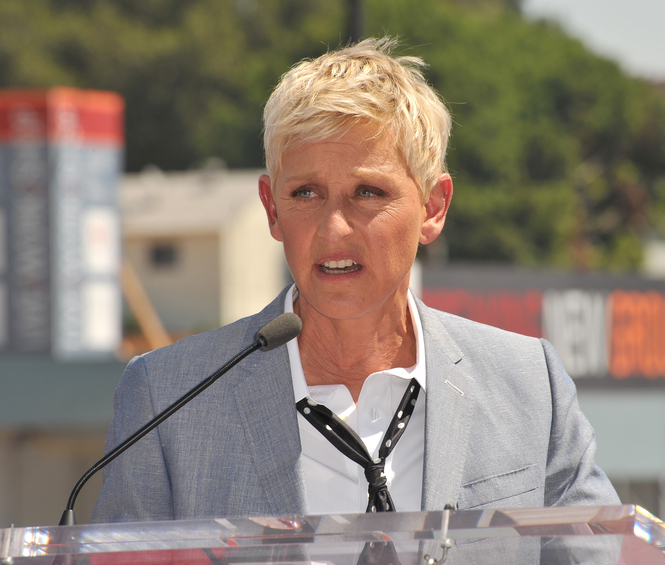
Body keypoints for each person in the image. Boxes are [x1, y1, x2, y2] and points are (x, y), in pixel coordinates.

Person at [91, 38, 619, 524]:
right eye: (305, 194)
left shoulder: (530, 386)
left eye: (367, 192)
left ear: (433, 208)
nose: (334, 228)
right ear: (272, 210)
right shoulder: (166, 398)